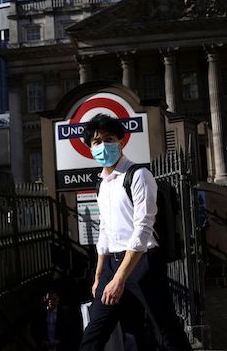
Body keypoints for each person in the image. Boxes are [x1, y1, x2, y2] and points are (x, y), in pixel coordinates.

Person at [79, 114, 192, 351]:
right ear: (90, 148)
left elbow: (142, 229)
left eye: (109, 139)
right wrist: (100, 274)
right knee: (93, 334)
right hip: (111, 264)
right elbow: (105, 231)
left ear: (121, 141)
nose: (102, 145)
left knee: (167, 330)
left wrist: (120, 279)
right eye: (96, 141)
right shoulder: (102, 183)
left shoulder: (139, 175)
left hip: (143, 265)